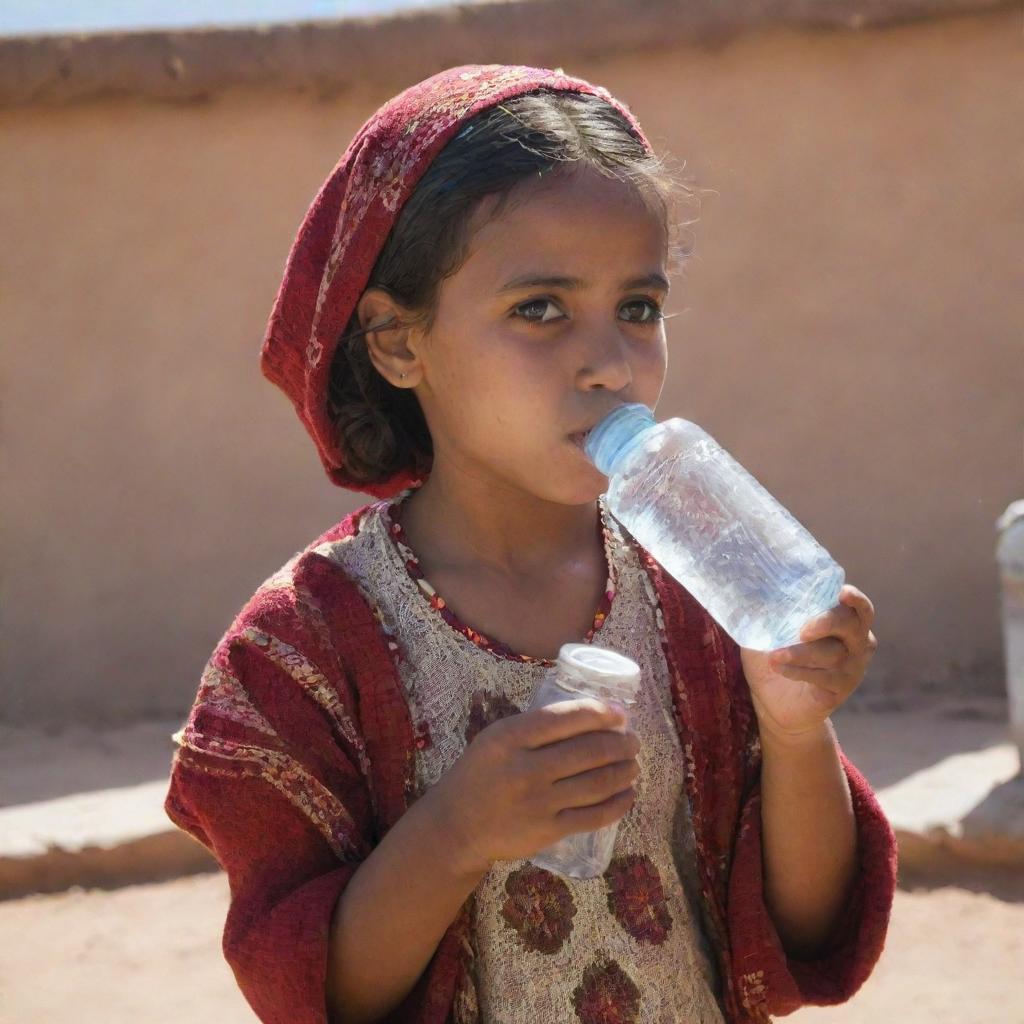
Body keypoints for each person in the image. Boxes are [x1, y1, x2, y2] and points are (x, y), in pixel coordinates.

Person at [164, 64, 897, 1024]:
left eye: (639, 307)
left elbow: (806, 934)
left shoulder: (700, 586)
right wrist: (455, 832)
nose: (611, 364)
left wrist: (798, 732)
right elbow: (309, 994)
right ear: (397, 345)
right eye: (540, 309)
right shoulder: (303, 646)